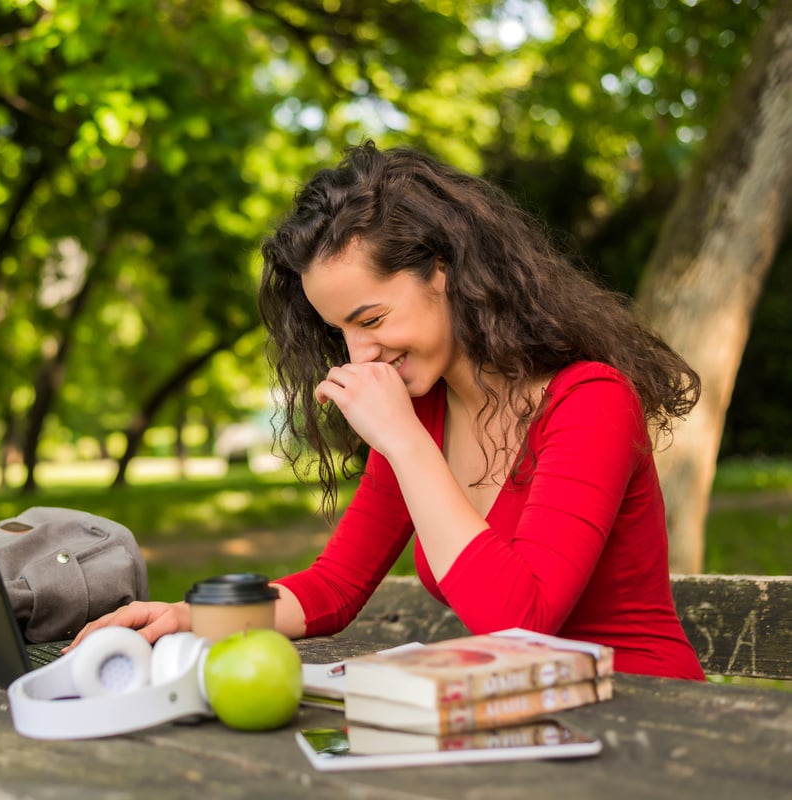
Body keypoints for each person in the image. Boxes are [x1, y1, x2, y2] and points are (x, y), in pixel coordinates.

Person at [71, 141, 705, 680]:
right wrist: (192, 617)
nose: (359, 354)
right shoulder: (426, 415)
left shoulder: (589, 400)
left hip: (651, 721)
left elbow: (522, 618)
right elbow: (335, 587)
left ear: (446, 270)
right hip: (528, 715)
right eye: (340, 332)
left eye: (371, 319)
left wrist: (403, 442)